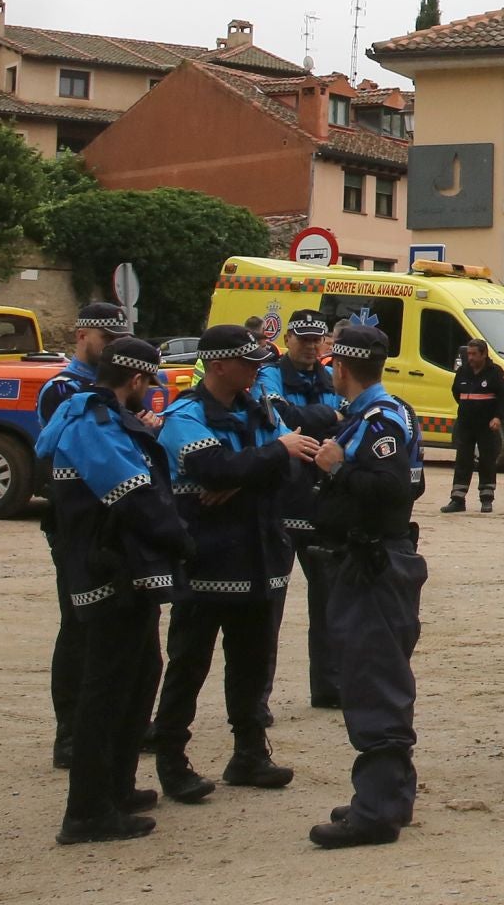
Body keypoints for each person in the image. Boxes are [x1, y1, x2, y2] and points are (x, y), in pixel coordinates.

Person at [38, 337, 191, 845]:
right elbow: (135, 499)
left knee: (140, 673)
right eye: (151, 384)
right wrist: (183, 540)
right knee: (106, 689)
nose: (151, 395)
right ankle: (86, 811)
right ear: (137, 380)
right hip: (109, 576)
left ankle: (116, 789)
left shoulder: (101, 418)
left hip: (124, 573)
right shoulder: (93, 424)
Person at [153, 324, 314, 803]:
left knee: (252, 662)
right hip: (207, 563)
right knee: (189, 664)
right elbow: (212, 469)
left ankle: (249, 754)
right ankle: (171, 761)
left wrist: (249, 472)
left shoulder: (258, 410)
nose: (256, 372)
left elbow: (298, 459)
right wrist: (266, 458)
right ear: (219, 365)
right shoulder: (186, 415)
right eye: (247, 364)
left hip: (260, 558)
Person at [305, 324, 428, 849]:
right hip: (372, 559)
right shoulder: (380, 414)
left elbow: (393, 488)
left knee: (374, 683)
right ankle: (389, 796)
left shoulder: (378, 420)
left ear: (342, 368)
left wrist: (336, 469)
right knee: (377, 677)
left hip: (373, 564)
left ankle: (375, 811)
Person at [37, 301, 136, 771]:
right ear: (82, 335)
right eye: (105, 338)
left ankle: (114, 727)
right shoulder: (65, 389)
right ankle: (70, 733)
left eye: (119, 340)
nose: (112, 347)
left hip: (116, 528)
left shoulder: (119, 385)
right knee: (78, 627)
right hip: (77, 523)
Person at [254, 312, 347, 719]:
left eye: (317, 339)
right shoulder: (270, 373)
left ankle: (328, 687)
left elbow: (344, 423)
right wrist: (323, 420)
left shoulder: (329, 377)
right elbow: (279, 417)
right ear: (288, 338)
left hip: (317, 503)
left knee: (327, 601)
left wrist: (306, 422)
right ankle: (257, 698)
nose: (310, 346)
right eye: (303, 339)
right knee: (266, 607)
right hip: (279, 502)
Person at [441, 339, 504, 514]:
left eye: (473, 354)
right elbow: (456, 392)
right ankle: (457, 499)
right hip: (465, 424)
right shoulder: (463, 371)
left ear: (484, 354)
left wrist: (497, 417)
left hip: (487, 426)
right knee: (462, 461)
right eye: (468, 354)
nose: (470, 357)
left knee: (487, 461)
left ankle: (486, 499)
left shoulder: (495, 373)